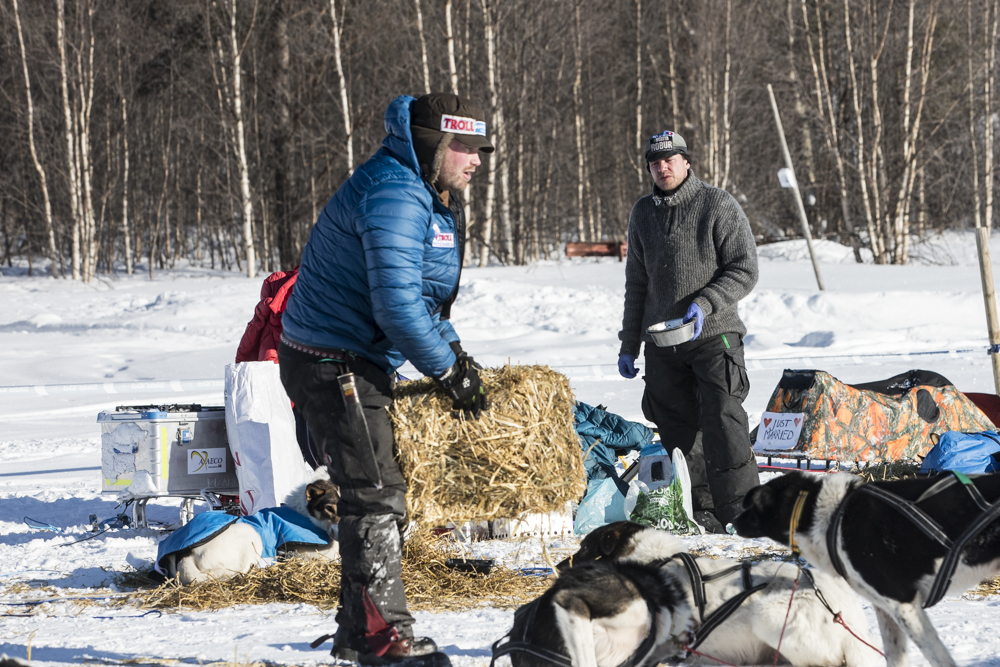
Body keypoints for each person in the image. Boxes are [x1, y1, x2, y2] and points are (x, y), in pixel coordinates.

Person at [278, 93, 491, 667]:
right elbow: (397, 306)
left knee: (373, 489)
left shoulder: (428, 192)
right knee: (374, 492)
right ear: (431, 145)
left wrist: (457, 357)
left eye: (479, 148)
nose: (476, 160)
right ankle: (382, 637)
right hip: (330, 358)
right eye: (464, 148)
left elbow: (423, 299)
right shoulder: (397, 193)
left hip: (355, 354)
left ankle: (356, 632)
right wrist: (444, 370)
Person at [617, 130, 760, 533]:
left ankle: (743, 514)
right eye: (655, 162)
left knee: (723, 420)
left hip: (715, 333)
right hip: (663, 342)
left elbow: (745, 268)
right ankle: (701, 514)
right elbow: (637, 285)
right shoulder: (643, 213)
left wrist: (706, 302)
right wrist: (630, 344)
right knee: (677, 429)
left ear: (686, 162)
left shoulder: (717, 204)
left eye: (670, 160)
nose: (663, 168)